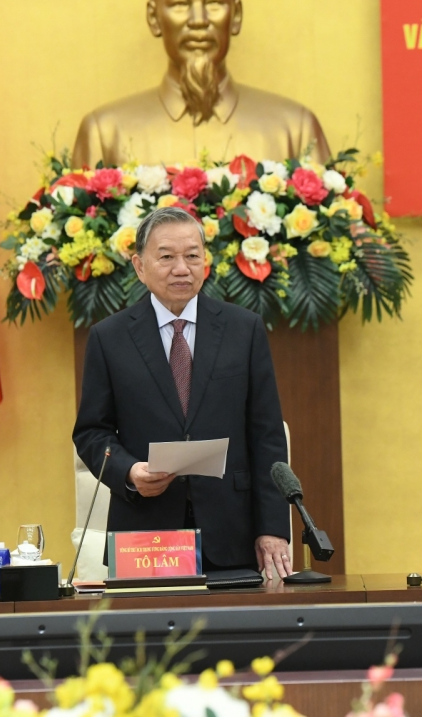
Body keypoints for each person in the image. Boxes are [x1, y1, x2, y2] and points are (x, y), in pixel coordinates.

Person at [72, 207, 293, 578]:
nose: (181, 268)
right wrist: (130, 472)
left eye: (193, 256)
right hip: (145, 536)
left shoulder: (244, 330)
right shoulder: (109, 338)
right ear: (140, 266)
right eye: (167, 257)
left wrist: (272, 528)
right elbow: (92, 432)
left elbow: (267, 434)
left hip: (232, 533)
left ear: (206, 262)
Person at [71, 0, 330, 169]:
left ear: (236, 15)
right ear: (154, 18)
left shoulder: (295, 130)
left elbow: (334, 223)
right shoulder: (104, 134)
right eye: (180, 4)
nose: (198, 20)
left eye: (214, 2)